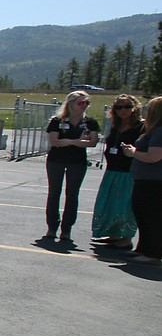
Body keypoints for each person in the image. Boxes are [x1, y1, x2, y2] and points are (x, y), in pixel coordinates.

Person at [44, 90, 100, 242]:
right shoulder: (57, 121)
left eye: (87, 103)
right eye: (81, 103)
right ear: (70, 104)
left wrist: (69, 141)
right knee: (54, 192)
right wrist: (79, 141)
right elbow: (55, 141)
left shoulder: (90, 122)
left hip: (77, 161)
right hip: (56, 160)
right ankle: (52, 227)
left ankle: (67, 229)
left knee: (72, 194)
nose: (84, 106)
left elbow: (93, 142)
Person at [91, 94, 143, 249]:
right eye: (119, 107)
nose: (123, 110)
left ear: (134, 108)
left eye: (127, 106)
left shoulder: (141, 127)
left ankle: (126, 238)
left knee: (126, 206)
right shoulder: (115, 126)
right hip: (112, 171)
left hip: (129, 172)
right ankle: (113, 235)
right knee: (110, 203)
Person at [120, 96, 162, 267]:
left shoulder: (159, 132)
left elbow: (154, 156)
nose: (144, 110)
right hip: (145, 180)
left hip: (154, 182)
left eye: (148, 108)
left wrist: (133, 152)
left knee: (152, 217)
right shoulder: (153, 130)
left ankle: (153, 253)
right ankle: (143, 248)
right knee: (142, 214)